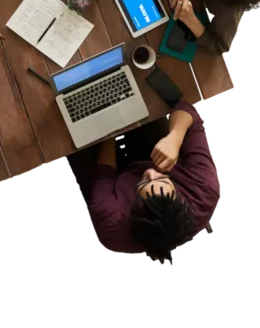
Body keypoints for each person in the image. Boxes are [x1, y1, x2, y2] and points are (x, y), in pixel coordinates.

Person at [86, 102, 221, 257]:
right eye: (163, 180)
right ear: (178, 194)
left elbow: (104, 173)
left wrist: (109, 127)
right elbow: (190, 111)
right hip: (157, 148)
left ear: (134, 206)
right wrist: (175, 138)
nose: (151, 173)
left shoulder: (111, 222)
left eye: (144, 183)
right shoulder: (205, 190)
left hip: (116, 176)